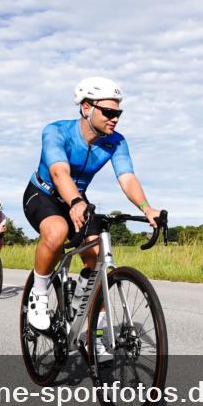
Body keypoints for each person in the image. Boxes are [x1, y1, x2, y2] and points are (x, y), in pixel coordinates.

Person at [22, 76, 161, 336]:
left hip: (78, 198)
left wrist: (146, 207)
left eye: (118, 113)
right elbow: (59, 172)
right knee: (57, 231)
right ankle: (38, 295)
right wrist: (74, 201)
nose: (115, 118)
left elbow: (127, 177)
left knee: (97, 256)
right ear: (87, 108)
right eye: (108, 112)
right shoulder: (56, 131)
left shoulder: (116, 141)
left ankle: (93, 331)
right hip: (44, 193)